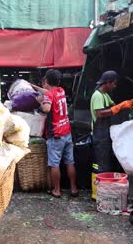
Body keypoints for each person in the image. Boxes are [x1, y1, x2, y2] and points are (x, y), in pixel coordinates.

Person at [90, 70, 133, 197]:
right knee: (100, 165)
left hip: (105, 133)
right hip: (99, 135)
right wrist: (118, 107)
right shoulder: (97, 95)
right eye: (113, 84)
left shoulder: (105, 95)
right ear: (107, 83)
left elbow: (115, 107)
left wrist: (129, 104)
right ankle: (97, 194)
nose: (115, 86)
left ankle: (104, 191)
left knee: (106, 163)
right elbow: (100, 113)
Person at [32, 69, 78, 198]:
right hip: (67, 132)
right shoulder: (60, 91)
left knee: (54, 164)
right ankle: (74, 189)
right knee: (70, 162)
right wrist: (34, 87)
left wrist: (40, 103)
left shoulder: (48, 95)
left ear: (46, 80)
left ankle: (57, 190)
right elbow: (48, 92)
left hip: (56, 134)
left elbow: (46, 108)